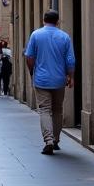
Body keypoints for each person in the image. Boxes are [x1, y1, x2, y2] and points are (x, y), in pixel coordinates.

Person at [24, 9, 76, 155]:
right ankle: (56, 139)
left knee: (45, 110)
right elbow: (70, 60)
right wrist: (70, 76)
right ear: (58, 21)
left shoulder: (36, 35)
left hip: (41, 80)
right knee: (57, 110)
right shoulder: (64, 37)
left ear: (43, 20)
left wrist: (32, 71)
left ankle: (48, 140)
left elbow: (29, 57)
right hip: (59, 80)